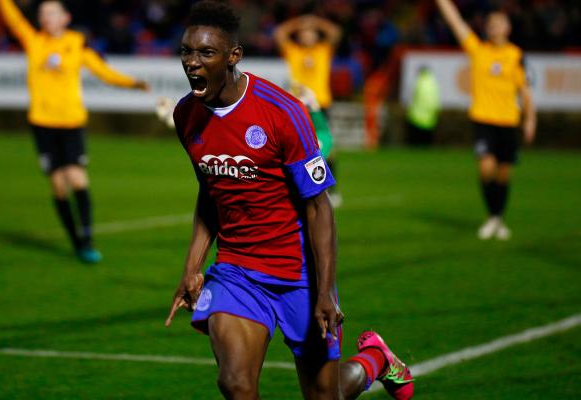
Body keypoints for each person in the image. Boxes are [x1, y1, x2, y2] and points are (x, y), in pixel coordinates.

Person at [164, 1, 413, 399]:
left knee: (323, 395)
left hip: (298, 273)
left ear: (233, 56)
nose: (192, 63)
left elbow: (319, 207)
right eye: (187, 52)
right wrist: (192, 267)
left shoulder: (283, 112)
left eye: (206, 53)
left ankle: (375, 361)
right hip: (237, 272)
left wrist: (325, 291)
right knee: (235, 385)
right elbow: (209, 193)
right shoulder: (185, 115)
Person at [0, 0, 149, 263]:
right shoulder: (34, 40)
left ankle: (87, 240)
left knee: (77, 179)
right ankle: (76, 242)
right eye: (43, 13)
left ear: (65, 17)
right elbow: (12, 17)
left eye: (52, 12)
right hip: (42, 123)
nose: (46, 17)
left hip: (71, 122)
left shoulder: (77, 42)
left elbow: (102, 70)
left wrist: (132, 83)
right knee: (58, 185)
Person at [435, 0, 536, 240]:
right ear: (486, 28)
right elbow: (455, 22)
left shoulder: (515, 55)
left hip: (509, 122)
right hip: (483, 120)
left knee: (503, 175)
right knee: (486, 169)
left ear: (508, 28)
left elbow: (525, 91)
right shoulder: (478, 50)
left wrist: (530, 119)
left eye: (500, 23)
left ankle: (497, 217)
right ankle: (492, 217)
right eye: (491, 23)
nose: (495, 27)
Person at [274, 14, 342, 206]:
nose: (307, 35)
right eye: (304, 33)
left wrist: (314, 21)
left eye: (310, 32)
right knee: (294, 147)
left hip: (321, 104)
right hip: (297, 106)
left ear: (316, 35)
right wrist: (300, 22)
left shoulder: (323, 50)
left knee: (328, 148)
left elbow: (336, 32)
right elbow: (279, 33)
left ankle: (332, 190)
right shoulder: (293, 51)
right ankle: (294, 187)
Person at [406, 66, 440, 146]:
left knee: (416, 144)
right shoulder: (433, 82)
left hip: (417, 117)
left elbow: (412, 97)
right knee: (426, 145)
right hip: (430, 118)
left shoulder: (418, 82)